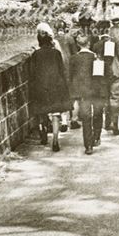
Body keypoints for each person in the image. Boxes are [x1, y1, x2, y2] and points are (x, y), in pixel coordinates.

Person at [29, 23, 72, 152]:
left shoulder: (36, 55)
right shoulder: (56, 53)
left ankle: (43, 134)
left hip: (41, 86)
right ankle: (55, 140)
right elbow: (62, 70)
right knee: (55, 114)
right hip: (56, 86)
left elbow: (32, 73)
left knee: (42, 111)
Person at [69, 31, 106, 153]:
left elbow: (71, 77)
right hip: (97, 91)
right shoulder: (96, 57)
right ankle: (97, 136)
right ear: (89, 43)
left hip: (83, 93)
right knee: (98, 113)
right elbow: (101, 76)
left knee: (86, 117)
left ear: (78, 44)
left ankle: (88, 146)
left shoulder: (73, 59)